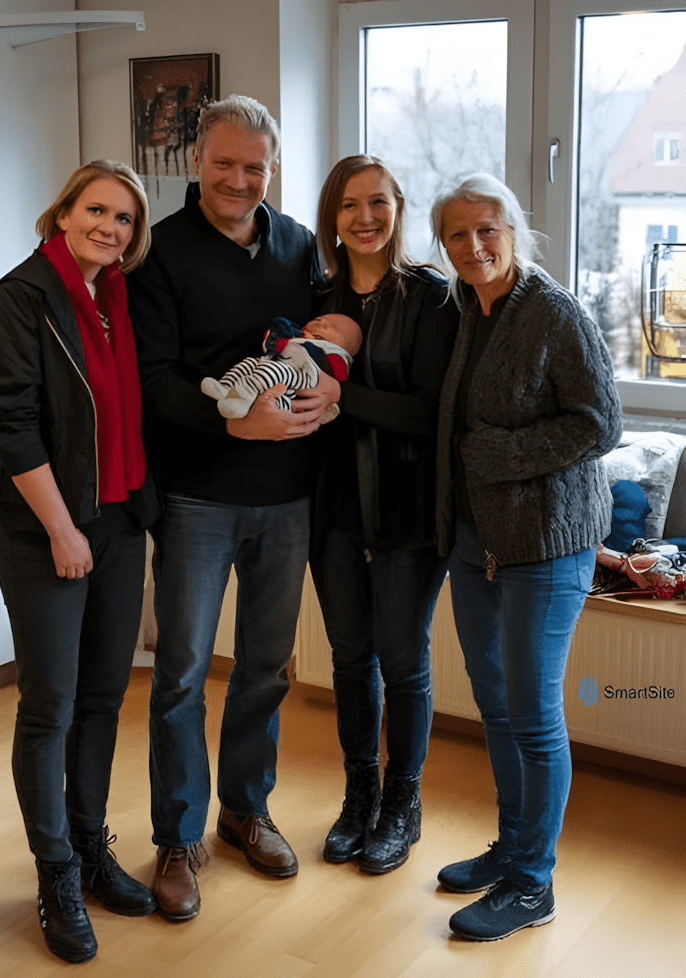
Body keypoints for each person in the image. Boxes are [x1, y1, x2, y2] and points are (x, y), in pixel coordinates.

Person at [127, 95, 333, 921]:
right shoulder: (158, 252)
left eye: (255, 167)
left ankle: (246, 810)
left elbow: (322, 343)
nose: (239, 180)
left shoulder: (300, 245)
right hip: (196, 498)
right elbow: (152, 380)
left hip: (288, 497)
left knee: (264, 670)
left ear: (272, 168)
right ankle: (179, 838)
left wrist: (326, 392)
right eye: (224, 164)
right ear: (196, 163)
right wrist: (231, 419)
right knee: (181, 674)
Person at [0, 160, 161, 963]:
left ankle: (89, 849)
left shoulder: (117, 298)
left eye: (124, 219)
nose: (109, 228)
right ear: (63, 214)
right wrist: (60, 528)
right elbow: (9, 423)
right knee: (50, 705)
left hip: (117, 523)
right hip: (46, 531)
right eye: (96, 210)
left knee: (102, 698)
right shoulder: (21, 298)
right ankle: (54, 873)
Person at [431, 173, 622, 941]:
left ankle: (533, 884)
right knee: (496, 702)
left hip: (546, 543)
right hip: (475, 542)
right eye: (456, 234)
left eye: (487, 229)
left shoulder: (554, 311)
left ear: (514, 229)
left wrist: (503, 455)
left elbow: (601, 423)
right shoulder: (465, 308)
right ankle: (512, 849)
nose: (473, 245)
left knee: (535, 716)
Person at [309, 155, 459, 874]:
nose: (364, 217)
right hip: (333, 510)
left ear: (398, 208)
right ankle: (358, 793)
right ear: (332, 218)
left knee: (401, 661)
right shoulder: (315, 295)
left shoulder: (432, 296)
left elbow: (430, 414)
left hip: (408, 511)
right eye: (349, 205)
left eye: (377, 202)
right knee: (349, 659)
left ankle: (403, 801)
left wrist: (342, 398)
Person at [201, 313, 362, 421]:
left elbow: (338, 378)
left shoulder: (335, 355)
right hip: (273, 364)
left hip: (298, 379)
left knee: (275, 373)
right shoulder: (297, 336)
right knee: (250, 363)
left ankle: (242, 401)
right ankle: (226, 387)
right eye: (319, 320)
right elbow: (273, 343)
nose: (322, 325)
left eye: (335, 328)